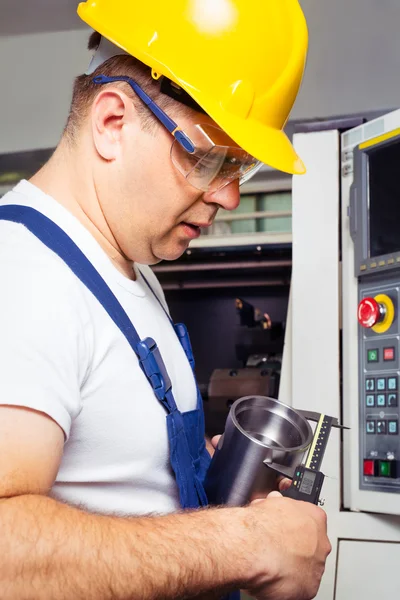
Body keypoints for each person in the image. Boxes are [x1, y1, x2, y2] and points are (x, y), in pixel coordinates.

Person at [0, 1, 331, 599]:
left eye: (243, 167)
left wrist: (200, 478)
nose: (229, 196)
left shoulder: (131, 267)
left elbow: (114, 479)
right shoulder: (22, 274)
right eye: (211, 159)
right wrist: (244, 542)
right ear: (111, 123)